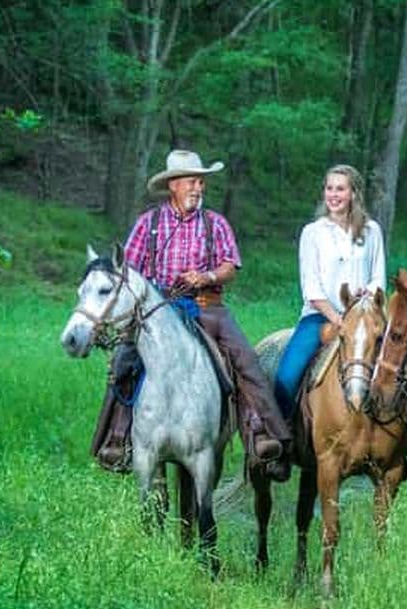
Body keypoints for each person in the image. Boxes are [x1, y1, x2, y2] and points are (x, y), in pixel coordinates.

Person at [97, 148, 292, 482]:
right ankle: (116, 439)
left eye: (201, 182)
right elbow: (129, 270)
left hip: (206, 306)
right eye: (191, 182)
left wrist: (208, 277)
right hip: (158, 310)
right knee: (124, 362)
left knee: (245, 361)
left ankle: (263, 434)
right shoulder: (150, 224)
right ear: (173, 185)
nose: (198, 188)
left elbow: (230, 265)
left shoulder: (215, 223)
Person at [274, 164, 386, 420]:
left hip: (365, 318)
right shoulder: (313, 233)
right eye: (329, 188)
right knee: (286, 376)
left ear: (354, 193)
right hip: (321, 316)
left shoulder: (372, 231)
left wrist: (366, 295)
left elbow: (378, 278)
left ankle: (401, 443)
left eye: (341, 189)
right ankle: (278, 437)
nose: (333, 195)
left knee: (401, 374)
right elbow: (311, 288)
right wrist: (337, 318)